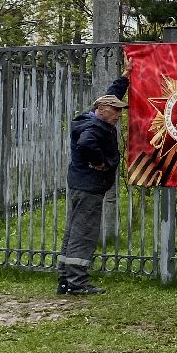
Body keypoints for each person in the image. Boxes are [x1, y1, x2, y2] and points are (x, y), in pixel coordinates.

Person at [57, 57, 132, 296]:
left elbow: (112, 93)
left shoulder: (91, 119)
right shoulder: (93, 128)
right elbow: (86, 143)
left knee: (73, 231)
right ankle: (77, 282)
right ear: (100, 110)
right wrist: (100, 162)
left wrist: (126, 75)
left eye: (120, 110)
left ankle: (66, 279)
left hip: (81, 184)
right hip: (89, 186)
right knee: (84, 233)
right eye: (115, 111)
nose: (119, 115)